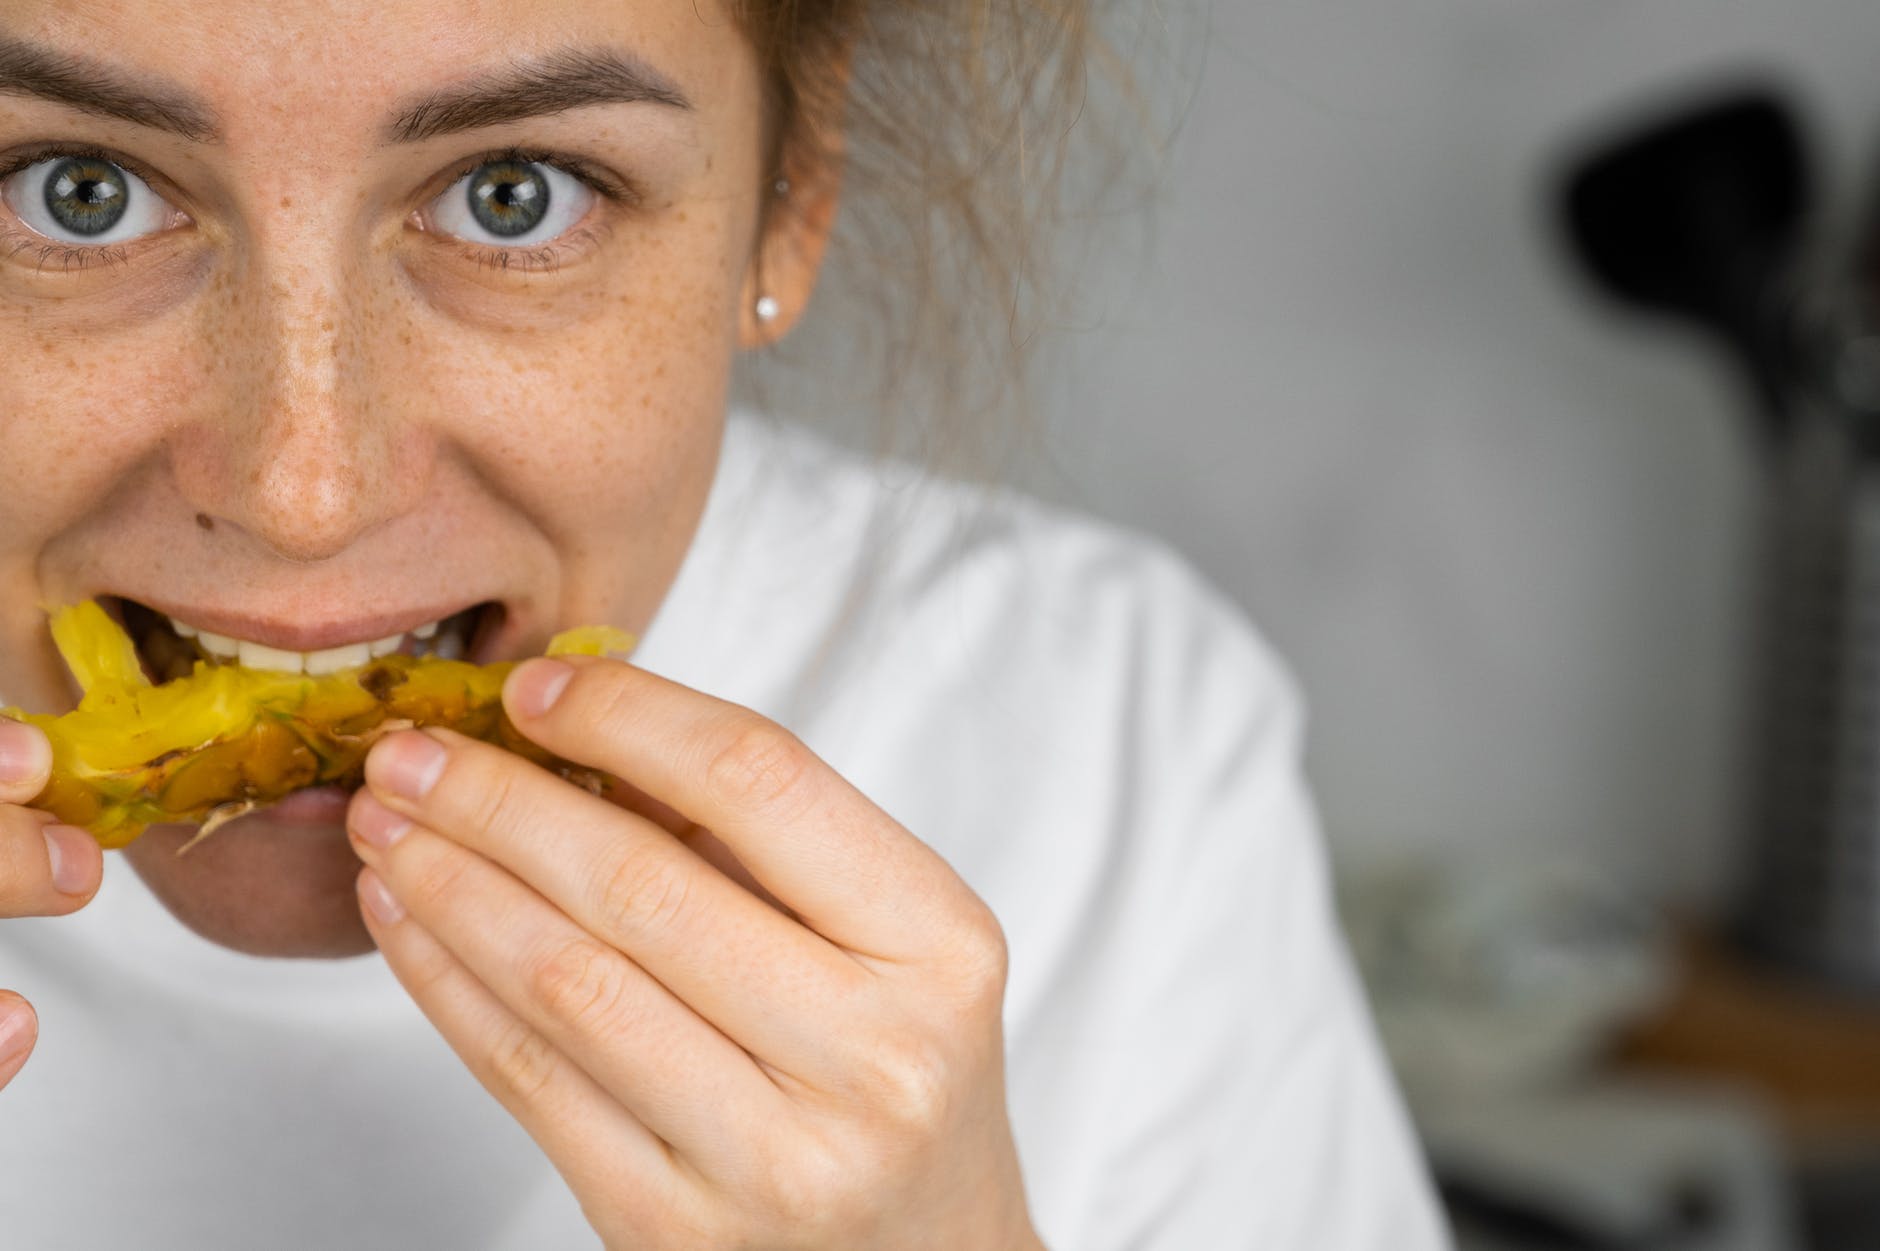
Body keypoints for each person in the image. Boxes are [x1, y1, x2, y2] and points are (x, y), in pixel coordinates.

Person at [0, 0, 1449, 1246]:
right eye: (73, 192)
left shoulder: (1110, 725)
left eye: (517, 193)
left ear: (792, 192)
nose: (301, 492)